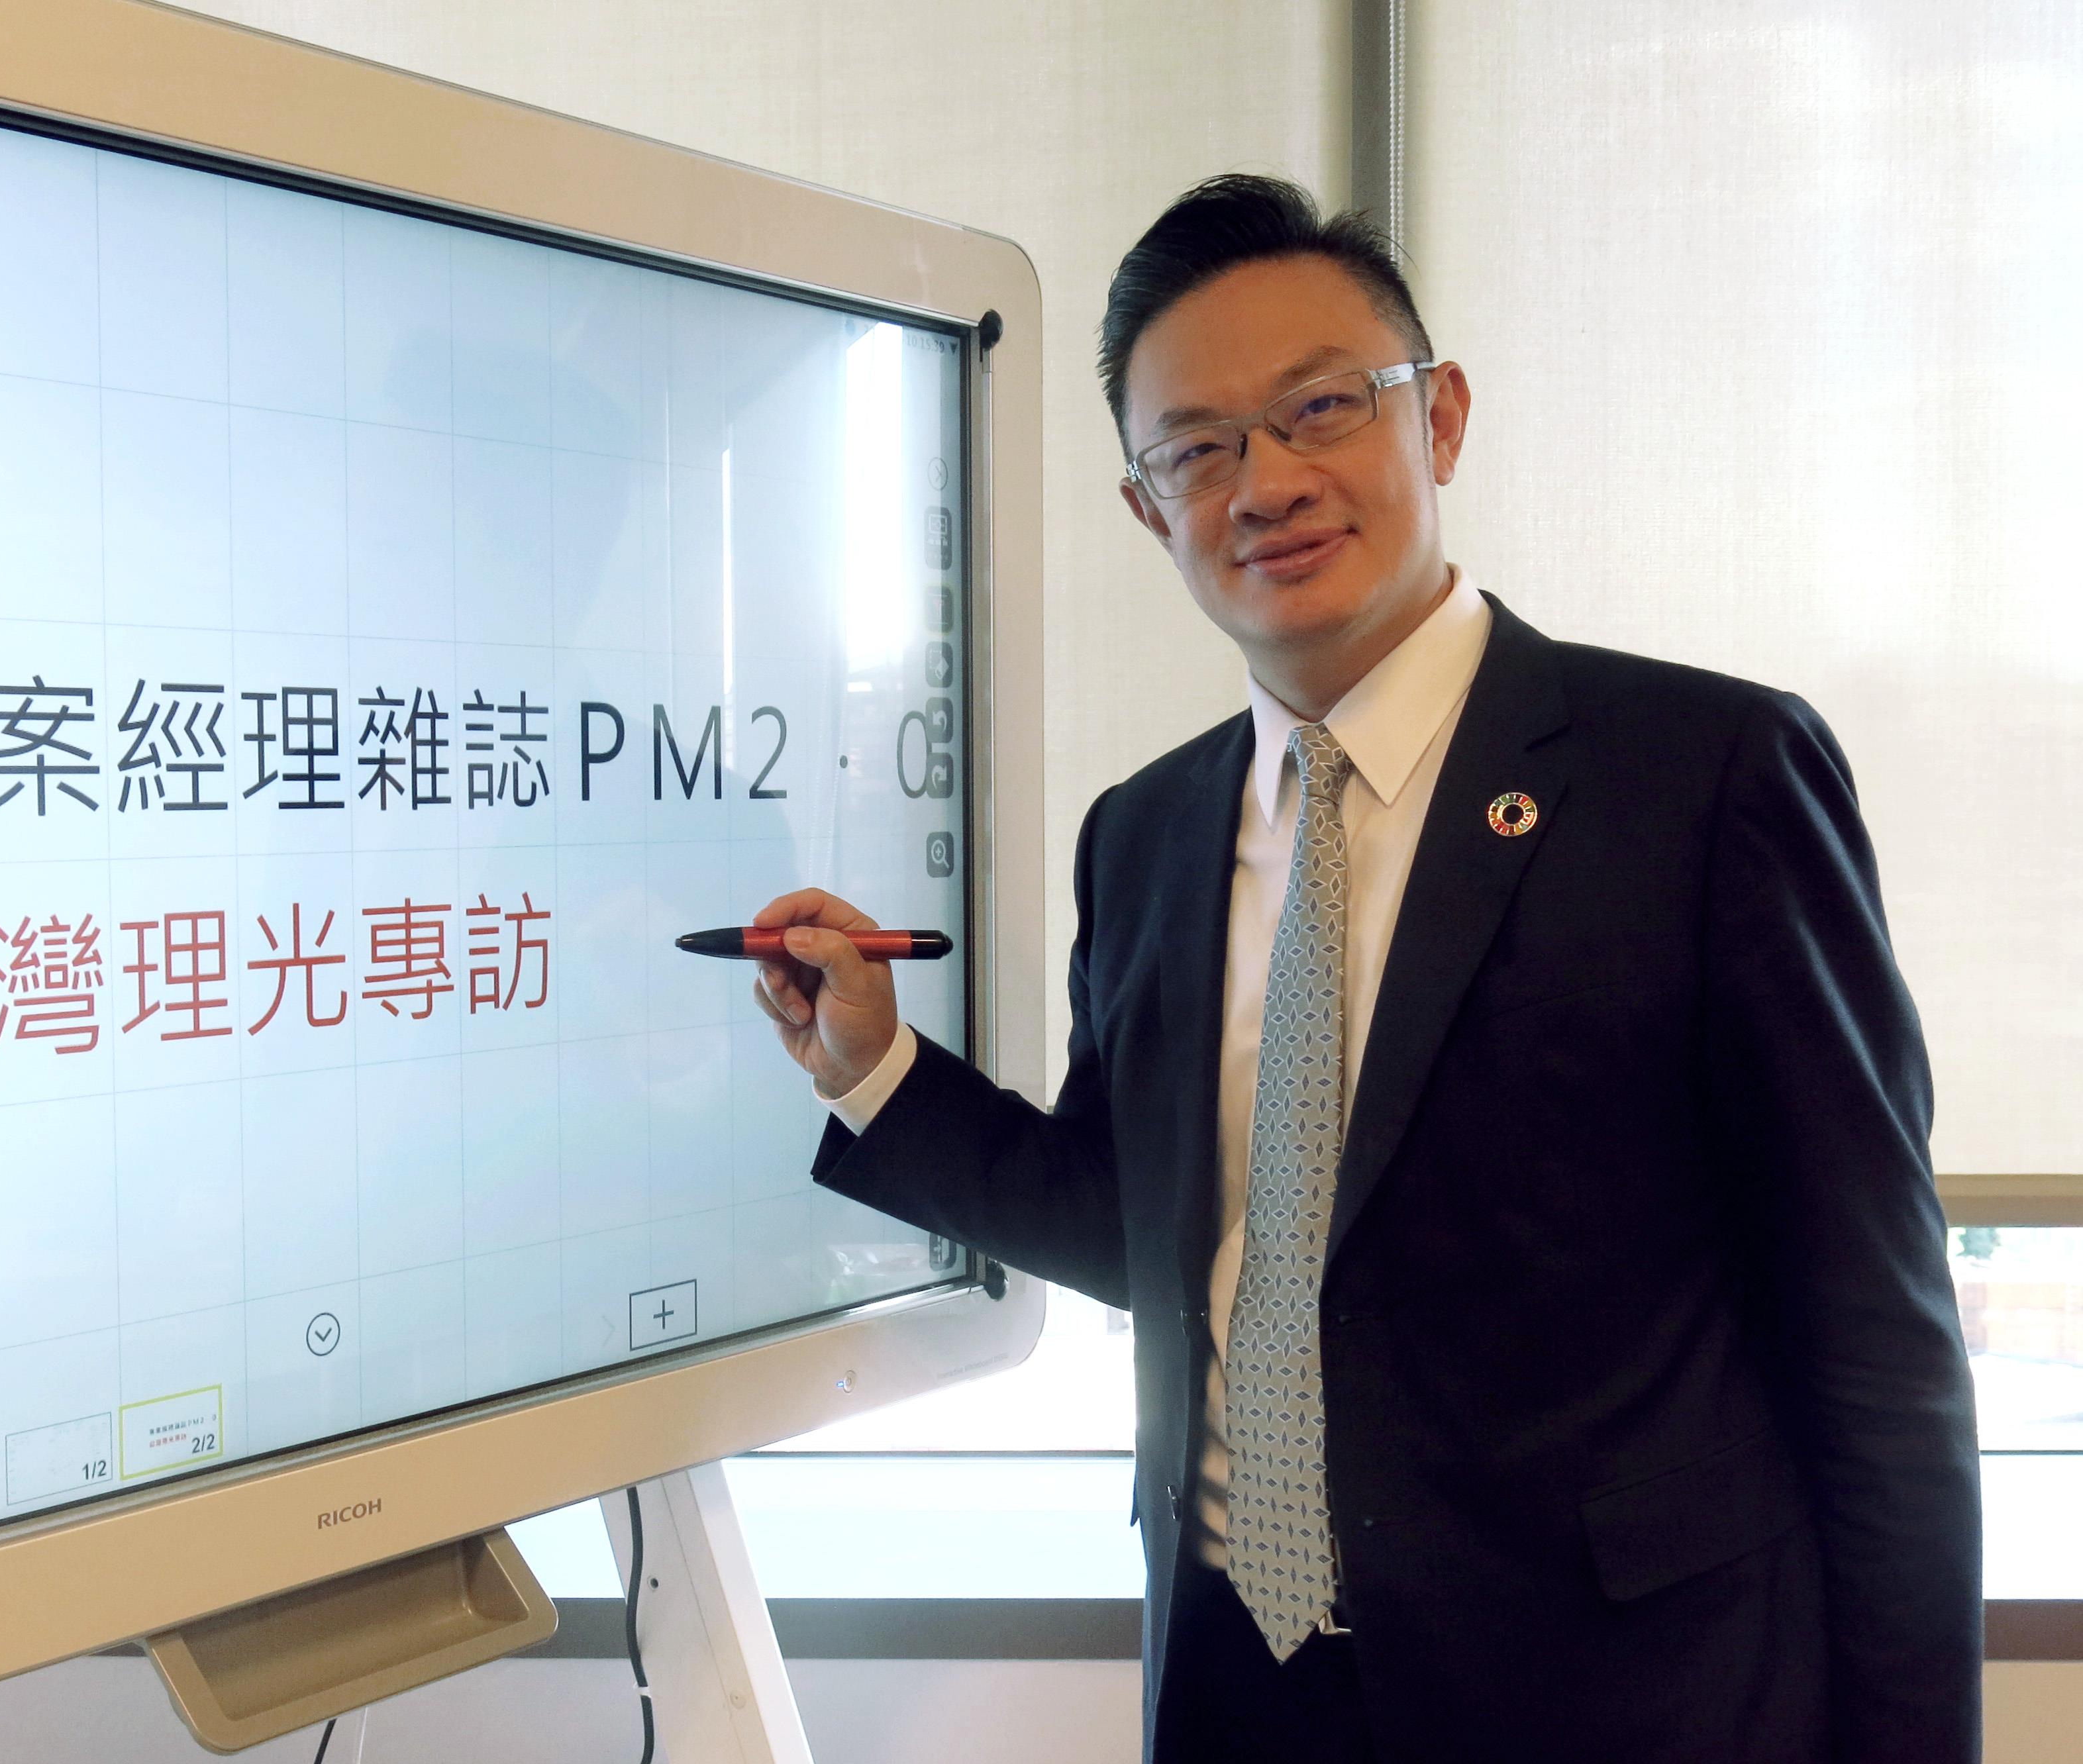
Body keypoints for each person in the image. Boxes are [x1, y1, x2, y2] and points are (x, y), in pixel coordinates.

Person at [746, 175, 1981, 1763]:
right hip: (1241, 1685)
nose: (1265, 484)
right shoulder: (1144, 834)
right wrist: (873, 1072)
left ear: (1436, 417)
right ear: (1146, 509)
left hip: (1616, 1699)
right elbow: (1156, 1228)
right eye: (1196, 450)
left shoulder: (1703, 774)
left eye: (1318, 408)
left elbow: (1871, 1338)